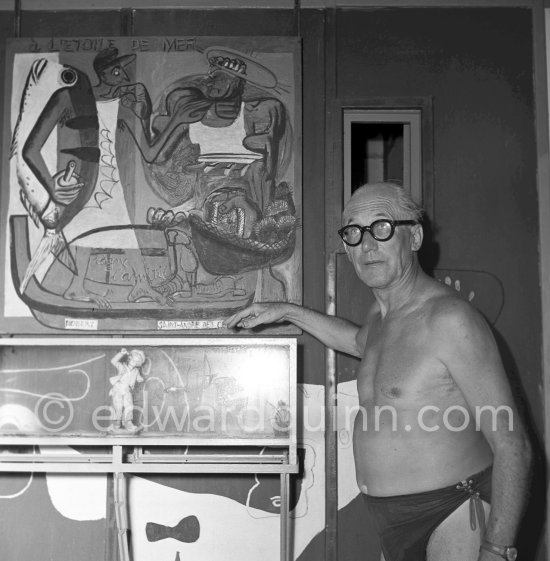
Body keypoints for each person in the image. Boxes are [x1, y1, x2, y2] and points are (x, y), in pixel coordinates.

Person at [225, 181, 532, 561]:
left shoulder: (450, 320)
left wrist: (497, 550)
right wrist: (287, 311)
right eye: (354, 233)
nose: (367, 245)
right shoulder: (380, 317)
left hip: (452, 509)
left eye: (382, 228)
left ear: (414, 237)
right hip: (390, 519)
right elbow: (356, 342)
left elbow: (512, 445)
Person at [108, 348, 146, 432]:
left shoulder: (136, 371)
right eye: (133, 360)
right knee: (118, 406)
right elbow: (113, 361)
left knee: (129, 406)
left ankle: (128, 423)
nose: (133, 362)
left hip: (127, 390)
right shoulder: (122, 366)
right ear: (129, 358)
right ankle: (116, 423)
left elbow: (138, 378)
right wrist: (121, 354)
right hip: (118, 388)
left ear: (138, 363)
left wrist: (140, 379)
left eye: (136, 361)